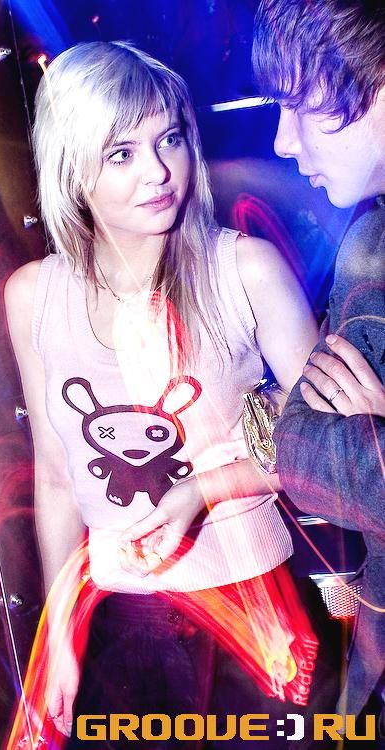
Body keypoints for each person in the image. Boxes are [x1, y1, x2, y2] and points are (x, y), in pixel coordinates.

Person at [5, 41, 340, 749]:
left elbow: (332, 453)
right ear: (71, 168)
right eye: (121, 153)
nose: (159, 171)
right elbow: (59, 478)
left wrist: (205, 489)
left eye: (170, 139)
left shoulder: (245, 270)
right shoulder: (33, 296)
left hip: (256, 607)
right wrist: (57, 632)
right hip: (121, 625)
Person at [252, 0, 385, 727]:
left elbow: (307, 455)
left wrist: (348, 438)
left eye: (298, 104)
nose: (281, 140)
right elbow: (308, 445)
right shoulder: (369, 235)